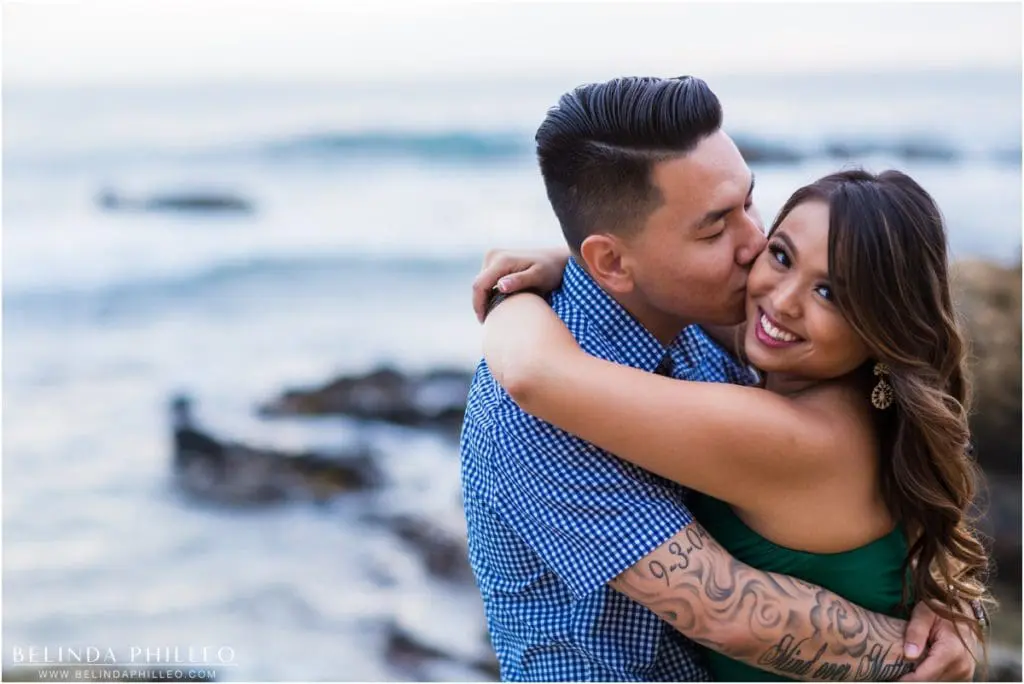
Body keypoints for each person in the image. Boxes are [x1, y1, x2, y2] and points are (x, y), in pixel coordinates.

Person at [459, 74, 984, 682]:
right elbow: (729, 613)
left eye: (749, 203)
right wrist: (934, 649)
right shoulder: (540, 417)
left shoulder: (724, 327)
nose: (754, 244)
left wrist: (955, 611)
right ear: (612, 262)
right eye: (714, 228)